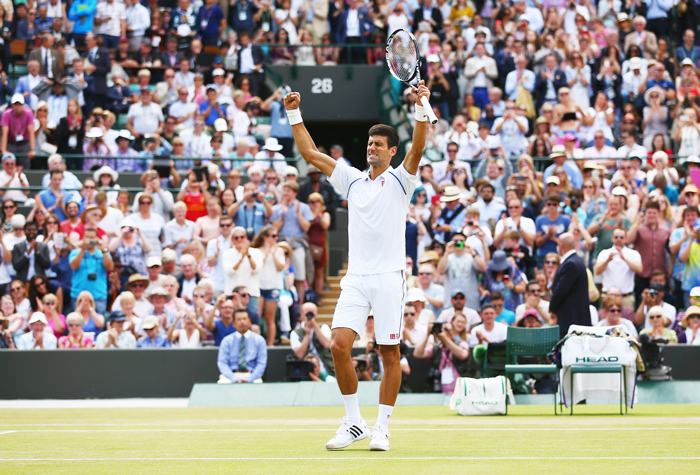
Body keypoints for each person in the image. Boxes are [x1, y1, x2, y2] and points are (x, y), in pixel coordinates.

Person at [284, 82, 430, 451]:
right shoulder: (352, 179)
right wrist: (294, 113)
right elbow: (310, 153)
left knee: (388, 353)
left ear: (391, 151)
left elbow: (419, 145)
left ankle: (381, 426)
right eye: (369, 143)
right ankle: (353, 423)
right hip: (356, 278)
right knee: (338, 344)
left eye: (378, 144)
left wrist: (419, 104)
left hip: (389, 277)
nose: (371, 147)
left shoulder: (402, 178)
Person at [549, 233, 590, 337]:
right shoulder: (577, 261)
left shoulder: (570, 264)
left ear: (561, 245)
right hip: (575, 319)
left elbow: (561, 290)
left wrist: (552, 308)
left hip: (570, 320)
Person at [69, 227, 113, 315]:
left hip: (99, 296)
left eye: (92, 237)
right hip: (79, 297)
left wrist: (104, 250)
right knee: (78, 324)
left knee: (99, 325)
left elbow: (110, 267)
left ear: (97, 238)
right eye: (87, 237)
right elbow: (73, 266)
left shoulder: (103, 253)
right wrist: (82, 249)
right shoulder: (75, 252)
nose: (89, 240)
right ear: (83, 238)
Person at [595, 227, 642, 309]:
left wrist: (624, 259)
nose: (618, 239)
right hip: (608, 296)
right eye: (616, 237)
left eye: (621, 237)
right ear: (612, 239)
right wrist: (608, 260)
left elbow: (639, 270)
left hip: (626, 297)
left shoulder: (633, 253)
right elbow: (597, 271)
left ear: (626, 239)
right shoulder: (605, 253)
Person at [217, 308, 268, 383]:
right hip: (231, 375)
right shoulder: (226, 341)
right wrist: (234, 379)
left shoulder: (259, 340)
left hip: (251, 374)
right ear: (233, 323)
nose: (242, 322)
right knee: (222, 383)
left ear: (249, 321)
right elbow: (222, 363)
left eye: (244, 319)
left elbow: (261, 363)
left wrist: (249, 379)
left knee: (258, 383)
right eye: (239, 319)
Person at [291, 302, 334, 376]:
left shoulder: (323, 327)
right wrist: (307, 335)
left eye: (312, 314)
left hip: (326, 367)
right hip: (305, 369)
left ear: (316, 315)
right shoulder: (295, 333)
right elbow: (299, 355)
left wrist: (315, 327)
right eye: (307, 314)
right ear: (301, 315)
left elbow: (327, 344)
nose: (309, 316)